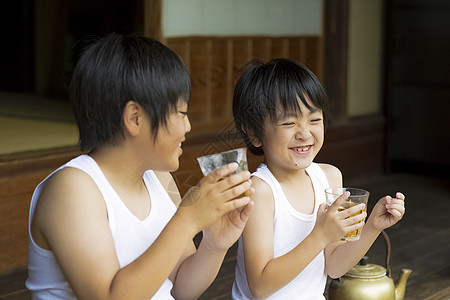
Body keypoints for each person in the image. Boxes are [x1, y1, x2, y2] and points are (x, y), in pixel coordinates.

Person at [26, 33, 254, 300]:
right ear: (134, 118)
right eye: (181, 113)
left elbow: (180, 288)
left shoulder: (160, 179)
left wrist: (215, 244)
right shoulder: (73, 188)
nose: (188, 126)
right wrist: (188, 218)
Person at [231, 58, 406, 299]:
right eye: (289, 123)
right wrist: (320, 235)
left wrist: (372, 227)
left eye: (314, 120)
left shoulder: (329, 176)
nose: (305, 133)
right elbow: (260, 286)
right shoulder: (259, 191)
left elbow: (333, 267)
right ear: (254, 133)